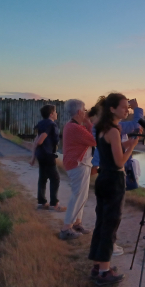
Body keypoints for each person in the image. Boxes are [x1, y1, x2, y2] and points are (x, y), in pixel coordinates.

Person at [88, 93, 139, 285]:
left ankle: (99, 264)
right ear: (112, 109)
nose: (127, 110)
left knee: (101, 223)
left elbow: (112, 148)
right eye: (124, 107)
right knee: (111, 225)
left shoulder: (104, 128)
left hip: (103, 178)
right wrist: (132, 147)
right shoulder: (114, 131)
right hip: (114, 179)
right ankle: (104, 272)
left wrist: (127, 143)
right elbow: (119, 161)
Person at [59, 99, 96, 240]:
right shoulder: (76, 128)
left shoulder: (72, 126)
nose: (86, 112)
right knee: (77, 196)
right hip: (78, 164)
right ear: (80, 112)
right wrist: (89, 123)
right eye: (84, 110)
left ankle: (77, 223)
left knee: (82, 196)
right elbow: (95, 140)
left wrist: (86, 123)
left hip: (79, 164)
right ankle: (66, 228)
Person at [30, 104, 65, 211]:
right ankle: (54, 203)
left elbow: (35, 141)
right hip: (48, 155)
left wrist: (33, 156)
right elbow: (40, 140)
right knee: (55, 178)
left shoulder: (41, 124)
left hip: (41, 155)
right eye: (55, 112)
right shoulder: (51, 124)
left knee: (43, 178)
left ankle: (42, 202)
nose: (57, 113)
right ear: (51, 114)